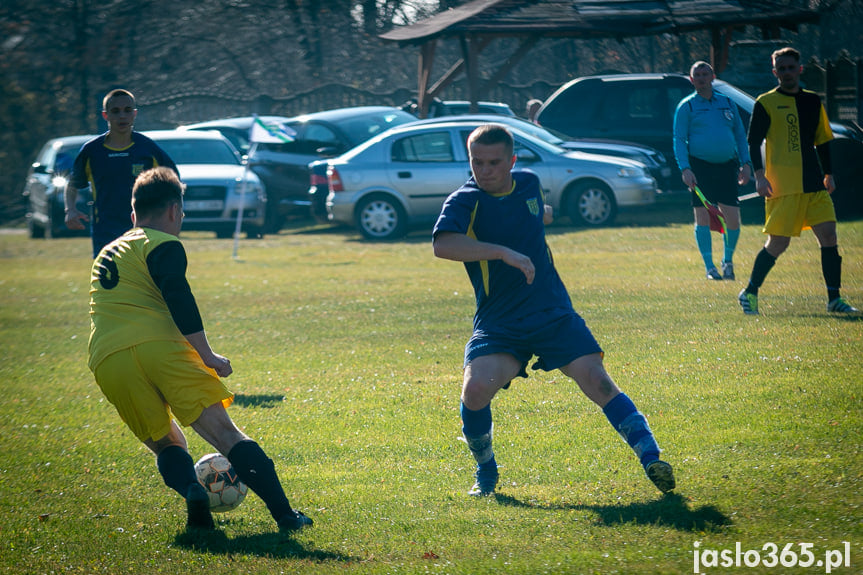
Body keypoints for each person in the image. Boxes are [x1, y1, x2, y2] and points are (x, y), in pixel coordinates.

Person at [432, 124, 675, 497]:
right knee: (476, 389)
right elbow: (444, 245)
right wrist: (502, 252)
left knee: (599, 381)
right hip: (500, 320)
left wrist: (541, 217)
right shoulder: (465, 201)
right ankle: (486, 471)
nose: (485, 170)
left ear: (512, 161)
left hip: (551, 310)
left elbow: (536, 211)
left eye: (495, 162)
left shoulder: (528, 183)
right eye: (477, 162)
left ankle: (652, 458)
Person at [88, 167, 312, 532]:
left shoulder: (107, 253)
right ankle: (286, 515)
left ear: (133, 215)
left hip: (107, 358)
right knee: (225, 434)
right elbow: (178, 295)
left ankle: (193, 490)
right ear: (175, 210)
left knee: (166, 442)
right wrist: (207, 355)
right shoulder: (162, 243)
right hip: (160, 348)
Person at [738, 47, 858, 315]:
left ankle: (834, 300)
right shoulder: (765, 102)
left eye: (791, 67)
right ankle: (749, 292)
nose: (787, 72)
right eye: (781, 69)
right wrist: (759, 176)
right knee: (778, 244)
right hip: (783, 185)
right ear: (775, 72)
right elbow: (753, 141)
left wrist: (829, 173)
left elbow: (824, 138)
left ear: (800, 69)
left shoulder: (813, 101)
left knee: (828, 235)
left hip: (814, 183)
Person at [65, 89, 178, 258]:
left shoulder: (147, 148)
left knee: (144, 280)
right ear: (106, 115)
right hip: (105, 229)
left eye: (127, 110)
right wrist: (71, 210)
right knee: (108, 281)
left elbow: (173, 182)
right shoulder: (92, 150)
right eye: (115, 111)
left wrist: (171, 214)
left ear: (134, 114)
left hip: (144, 229)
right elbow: (73, 184)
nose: (122, 116)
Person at [673, 61, 752, 280]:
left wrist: (745, 164)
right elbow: (678, 139)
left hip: (727, 165)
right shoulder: (686, 106)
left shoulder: (727, 103)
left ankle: (727, 262)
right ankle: (710, 267)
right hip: (700, 167)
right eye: (696, 75)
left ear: (712, 77)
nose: (701, 78)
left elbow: (739, 136)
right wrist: (685, 169)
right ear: (691, 80)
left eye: (704, 74)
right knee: (702, 217)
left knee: (733, 218)